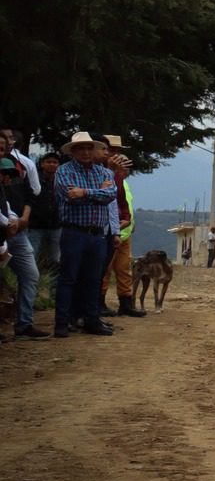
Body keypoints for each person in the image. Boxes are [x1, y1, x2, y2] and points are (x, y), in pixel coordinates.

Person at [52, 131, 117, 337]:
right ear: (73, 151)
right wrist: (97, 191)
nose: (86, 152)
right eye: (81, 148)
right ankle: (62, 323)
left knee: (93, 279)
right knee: (68, 278)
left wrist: (85, 192)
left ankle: (92, 319)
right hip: (74, 232)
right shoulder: (64, 171)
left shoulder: (104, 173)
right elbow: (69, 194)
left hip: (97, 234)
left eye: (90, 148)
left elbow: (110, 195)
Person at [99, 135, 144, 319]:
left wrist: (129, 222)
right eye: (113, 150)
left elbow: (125, 205)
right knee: (105, 269)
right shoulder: (106, 176)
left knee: (124, 269)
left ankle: (126, 302)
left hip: (124, 232)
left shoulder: (122, 183)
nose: (117, 154)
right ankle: (99, 302)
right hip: (111, 231)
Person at [1, 150, 45, 339]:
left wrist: (16, 220)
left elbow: (10, 206)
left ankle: (24, 324)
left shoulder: (20, 167)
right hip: (7, 233)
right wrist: (8, 223)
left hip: (16, 233)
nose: (8, 179)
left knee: (31, 274)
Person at [29, 152, 63, 272]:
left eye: (55, 162)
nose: (52, 165)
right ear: (42, 164)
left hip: (56, 226)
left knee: (55, 260)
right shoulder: (34, 179)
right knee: (32, 258)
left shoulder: (61, 181)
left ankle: (53, 288)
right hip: (35, 227)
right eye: (49, 162)